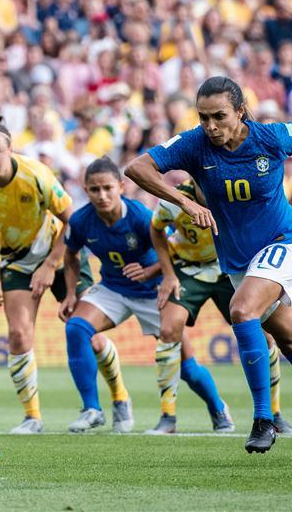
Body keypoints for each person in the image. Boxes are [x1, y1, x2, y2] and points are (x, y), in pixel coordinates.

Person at [126, 76, 292, 460]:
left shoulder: (271, 137)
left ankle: (264, 419)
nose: (210, 126)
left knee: (241, 310)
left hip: (285, 243)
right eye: (203, 117)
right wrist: (184, 202)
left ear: (240, 112)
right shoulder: (193, 144)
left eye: (219, 116)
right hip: (240, 261)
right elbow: (138, 168)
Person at [60, 158, 230, 435]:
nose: (102, 195)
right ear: (85, 190)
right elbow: (70, 256)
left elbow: (173, 248)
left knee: (186, 366)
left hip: (155, 292)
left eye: (107, 188)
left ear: (121, 187)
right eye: (94, 190)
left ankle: (218, 408)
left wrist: (150, 271)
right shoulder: (81, 220)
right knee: (76, 328)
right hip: (113, 288)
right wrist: (70, 293)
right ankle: (92, 409)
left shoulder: (139, 216)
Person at [0, 116, 102, 435]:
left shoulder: (36, 174)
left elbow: (73, 221)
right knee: (18, 335)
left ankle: (119, 400)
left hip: (60, 252)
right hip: (17, 260)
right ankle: (32, 417)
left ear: (10, 150)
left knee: (90, 334)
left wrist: (51, 264)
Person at [151, 178, 292, 434]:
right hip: (189, 269)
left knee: (266, 337)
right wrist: (168, 274)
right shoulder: (174, 200)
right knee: (168, 329)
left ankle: (275, 415)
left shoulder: (234, 193)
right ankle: (168, 417)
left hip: (230, 267)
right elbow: (155, 228)